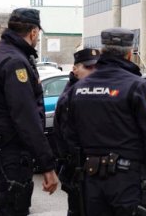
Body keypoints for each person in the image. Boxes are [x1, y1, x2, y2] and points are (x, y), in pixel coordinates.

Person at [63, 27, 146, 216]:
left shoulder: (78, 88)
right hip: (126, 181)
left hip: (89, 180)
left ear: (102, 53)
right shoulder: (137, 86)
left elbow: (65, 134)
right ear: (129, 54)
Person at [0, 8, 58, 215]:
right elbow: (26, 118)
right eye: (38, 33)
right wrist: (47, 166)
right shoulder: (15, 62)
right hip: (11, 151)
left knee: (6, 206)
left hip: (0, 146)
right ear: (33, 32)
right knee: (13, 208)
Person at [53, 48, 100, 216]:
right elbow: (68, 139)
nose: (93, 72)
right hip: (78, 169)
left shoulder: (94, 92)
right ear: (75, 69)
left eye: (96, 67)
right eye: (88, 68)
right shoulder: (70, 96)